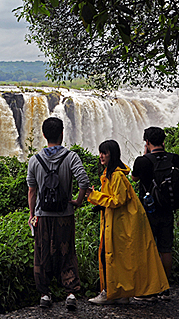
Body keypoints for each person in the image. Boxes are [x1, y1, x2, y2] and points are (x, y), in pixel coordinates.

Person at [86, 140, 169, 305]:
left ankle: (110, 292)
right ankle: (121, 292)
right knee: (119, 258)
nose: (101, 156)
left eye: (105, 153)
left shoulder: (116, 175)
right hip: (118, 223)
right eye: (100, 152)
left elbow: (118, 200)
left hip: (120, 224)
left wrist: (93, 196)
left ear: (113, 155)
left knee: (110, 257)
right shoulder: (110, 174)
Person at [26, 117, 90, 311]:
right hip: (64, 215)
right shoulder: (71, 157)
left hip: (43, 216)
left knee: (42, 254)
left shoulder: (34, 160)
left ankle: (45, 294)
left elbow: (31, 191)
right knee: (66, 252)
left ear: (44, 135)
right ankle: (70, 293)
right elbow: (84, 182)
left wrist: (32, 214)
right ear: (62, 133)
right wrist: (78, 201)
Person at [132, 127, 179, 301]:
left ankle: (150, 290)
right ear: (163, 141)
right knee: (165, 249)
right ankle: (165, 289)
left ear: (147, 142)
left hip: (148, 211)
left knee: (148, 248)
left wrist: (145, 154)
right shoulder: (174, 158)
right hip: (167, 209)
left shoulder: (142, 161)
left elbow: (135, 178)